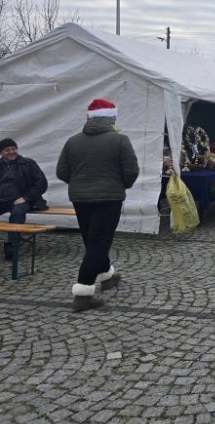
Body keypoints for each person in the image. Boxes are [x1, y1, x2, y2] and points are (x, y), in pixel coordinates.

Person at [56, 99, 139, 312]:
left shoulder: (72, 141)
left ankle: (107, 276)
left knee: (92, 239)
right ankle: (83, 293)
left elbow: (62, 173)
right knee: (98, 243)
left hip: (80, 199)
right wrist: (121, 185)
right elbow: (131, 171)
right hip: (109, 198)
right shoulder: (120, 140)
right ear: (111, 118)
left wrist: (80, 184)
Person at [0, 139, 48, 261]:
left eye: (13, 148)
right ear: (1, 153)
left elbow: (41, 183)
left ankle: (12, 245)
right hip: (3, 200)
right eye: (7, 150)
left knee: (17, 212)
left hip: (23, 200)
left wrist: (25, 198)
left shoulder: (28, 163)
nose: (11, 152)